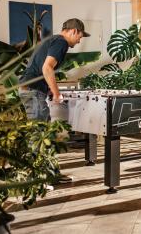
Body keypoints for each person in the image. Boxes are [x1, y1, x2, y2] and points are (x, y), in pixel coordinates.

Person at [19, 18, 90, 182]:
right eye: (80, 36)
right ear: (74, 31)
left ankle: (49, 174)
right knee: (40, 134)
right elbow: (47, 67)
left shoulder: (52, 40)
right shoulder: (61, 42)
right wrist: (57, 93)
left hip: (31, 90)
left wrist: (50, 90)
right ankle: (36, 177)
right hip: (33, 91)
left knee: (42, 133)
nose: (79, 41)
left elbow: (41, 68)